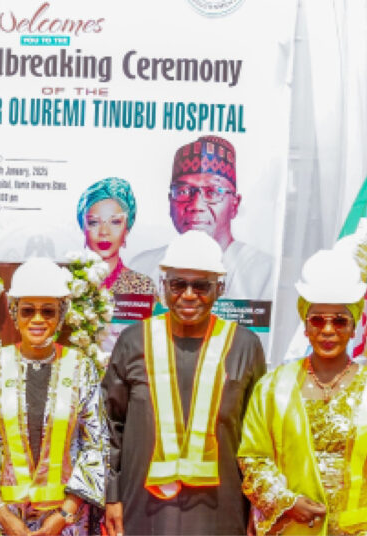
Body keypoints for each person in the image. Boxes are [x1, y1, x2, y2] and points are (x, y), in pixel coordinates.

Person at [103, 230, 266, 535]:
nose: (189, 295)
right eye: (178, 284)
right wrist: (111, 495)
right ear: (163, 287)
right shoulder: (133, 341)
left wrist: (255, 504)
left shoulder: (244, 345)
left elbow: (257, 436)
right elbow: (111, 424)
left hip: (222, 508)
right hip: (143, 507)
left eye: (201, 285)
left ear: (219, 288)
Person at [0, 257, 108, 535]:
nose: (37, 320)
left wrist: (63, 515)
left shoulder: (81, 368)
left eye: (48, 311)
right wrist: (5, 517)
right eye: (28, 311)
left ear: (61, 314)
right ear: (14, 312)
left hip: (65, 523)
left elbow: (95, 446)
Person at [238, 249, 367, 535]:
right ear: (305, 324)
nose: (327, 330)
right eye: (317, 320)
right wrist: (286, 502)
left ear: (353, 327)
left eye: (339, 321)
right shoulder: (273, 387)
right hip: (292, 527)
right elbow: (253, 458)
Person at [130, 135, 273, 300]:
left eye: (212, 192)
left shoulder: (264, 273)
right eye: (183, 191)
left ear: (234, 205)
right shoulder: (142, 269)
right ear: (170, 202)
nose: (196, 205)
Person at [77, 177, 158, 351]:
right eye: (94, 222)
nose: (104, 232)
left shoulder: (142, 286)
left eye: (115, 222)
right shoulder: (70, 284)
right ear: (84, 228)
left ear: (126, 229)